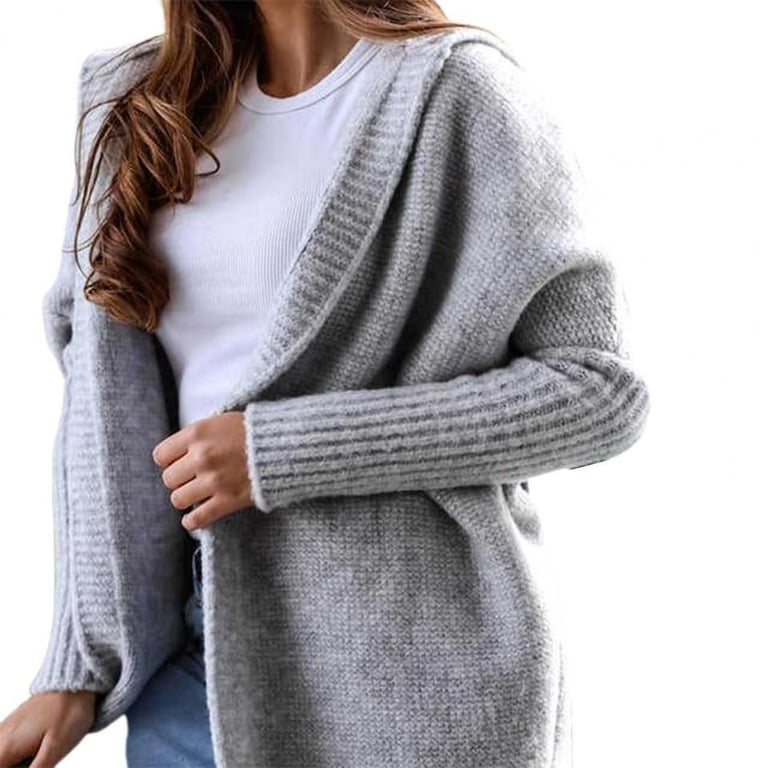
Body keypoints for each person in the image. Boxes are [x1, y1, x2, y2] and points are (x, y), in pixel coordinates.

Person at [0, 1, 652, 766]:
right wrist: (80, 663)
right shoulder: (136, 101)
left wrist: (282, 450)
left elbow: (597, 392)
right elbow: (98, 404)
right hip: (188, 665)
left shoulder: (458, 92)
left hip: (409, 678)